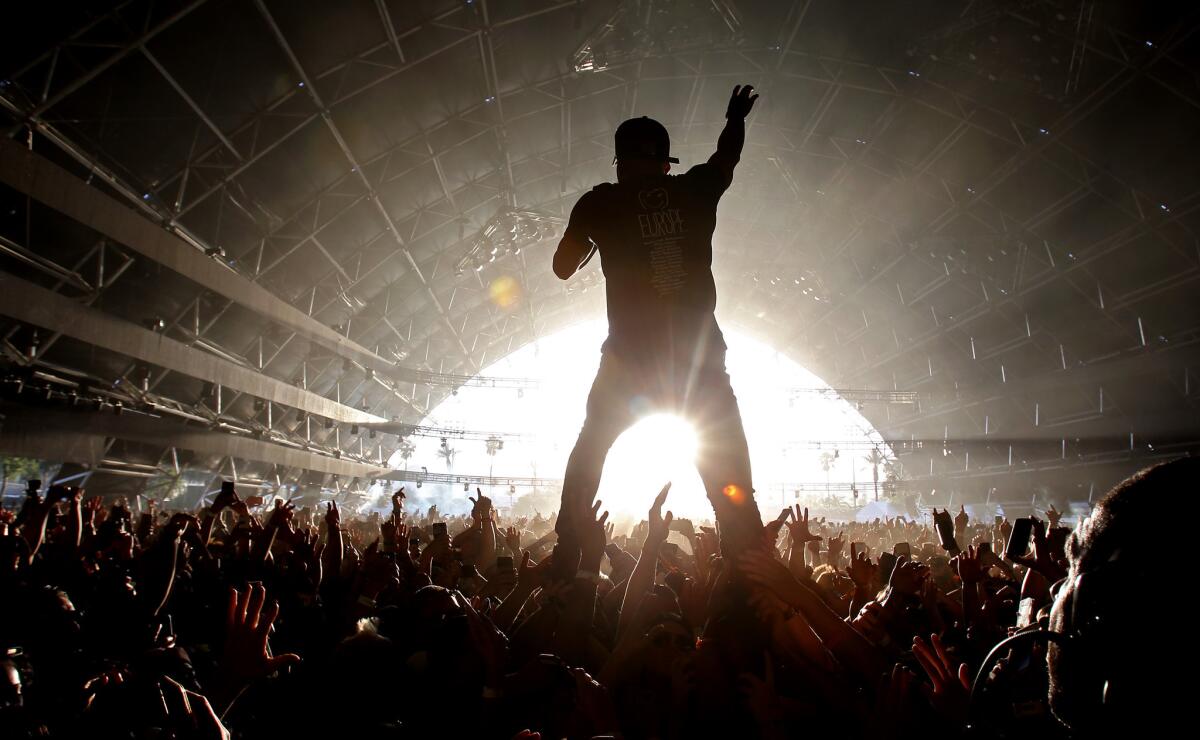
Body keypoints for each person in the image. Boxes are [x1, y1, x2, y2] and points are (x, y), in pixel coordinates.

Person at [552, 84, 764, 554]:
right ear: (667, 164)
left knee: (592, 446)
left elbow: (562, 267)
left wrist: (591, 238)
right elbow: (725, 159)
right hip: (698, 362)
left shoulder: (600, 202)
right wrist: (735, 119)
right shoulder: (693, 190)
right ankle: (746, 550)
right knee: (726, 460)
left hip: (629, 361)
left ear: (620, 163)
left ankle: (569, 543)